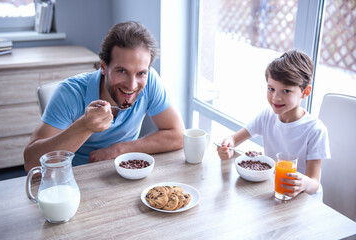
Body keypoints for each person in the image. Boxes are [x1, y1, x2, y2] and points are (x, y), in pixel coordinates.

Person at [24, 21, 185, 172]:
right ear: (103, 66)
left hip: (126, 173)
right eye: (122, 71)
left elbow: (178, 135)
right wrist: (84, 126)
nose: (132, 85)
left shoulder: (150, 81)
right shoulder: (69, 93)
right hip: (78, 179)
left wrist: (118, 149)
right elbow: (31, 163)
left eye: (141, 73)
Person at [216, 50, 330, 200]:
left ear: (305, 92)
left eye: (286, 91)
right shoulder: (267, 116)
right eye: (271, 89)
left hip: (304, 200)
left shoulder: (315, 130)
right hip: (276, 192)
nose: (276, 98)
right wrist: (227, 145)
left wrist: (304, 183)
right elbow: (234, 139)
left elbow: (314, 183)